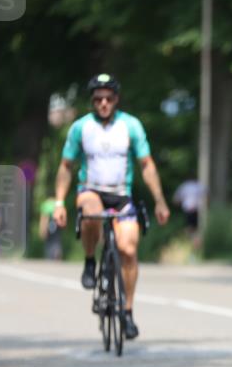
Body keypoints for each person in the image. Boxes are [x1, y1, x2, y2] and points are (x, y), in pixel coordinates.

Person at [52, 73, 170, 339]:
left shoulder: (131, 126)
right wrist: (59, 202)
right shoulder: (81, 128)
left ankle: (127, 312)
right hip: (90, 190)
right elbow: (66, 167)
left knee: (128, 249)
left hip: (121, 194)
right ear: (92, 101)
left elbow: (147, 165)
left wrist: (160, 200)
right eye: (98, 99)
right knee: (91, 212)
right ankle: (90, 260)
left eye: (108, 98)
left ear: (116, 99)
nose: (103, 103)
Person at [173, 179, 205, 248]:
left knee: (189, 229)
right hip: (196, 210)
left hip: (188, 210)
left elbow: (176, 199)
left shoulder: (184, 186)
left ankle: (192, 244)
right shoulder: (198, 185)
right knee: (195, 228)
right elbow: (206, 193)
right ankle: (196, 244)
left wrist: (180, 205)